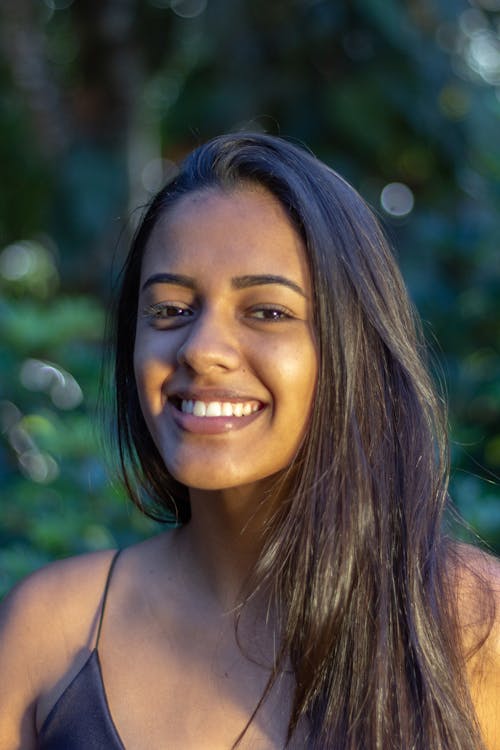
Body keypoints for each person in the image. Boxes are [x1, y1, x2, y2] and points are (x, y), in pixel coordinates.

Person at [0, 132, 499, 750]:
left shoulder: (472, 626)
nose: (201, 349)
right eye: (170, 309)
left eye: (267, 311)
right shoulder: (47, 633)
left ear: (355, 349)